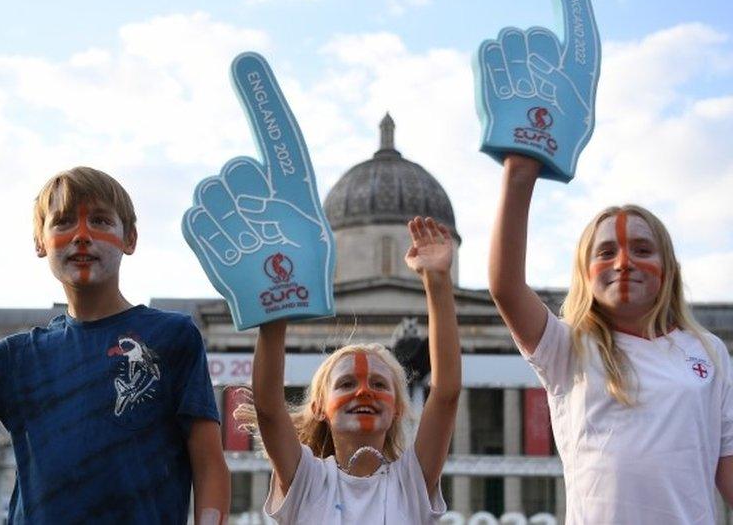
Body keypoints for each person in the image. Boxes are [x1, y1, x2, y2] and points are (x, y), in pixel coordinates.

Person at [0, 166, 229, 523]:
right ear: (40, 241)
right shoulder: (15, 359)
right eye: (63, 222)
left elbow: (209, 462)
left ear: (130, 238)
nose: (82, 235)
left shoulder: (173, 337)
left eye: (100, 220)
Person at [488, 154, 733, 523]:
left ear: (668, 270)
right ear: (585, 274)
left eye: (642, 250)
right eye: (606, 252)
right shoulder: (566, 346)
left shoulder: (708, 351)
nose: (623, 262)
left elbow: (726, 462)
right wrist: (518, 177)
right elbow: (506, 287)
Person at [238, 217, 460, 524]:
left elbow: (446, 393)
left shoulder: (410, 481)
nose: (363, 390)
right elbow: (269, 409)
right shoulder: (307, 480)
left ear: (396, 408)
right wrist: (276, 313)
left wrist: (437, 281)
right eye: (345, 383)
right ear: (318, 408)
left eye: (380, 384)